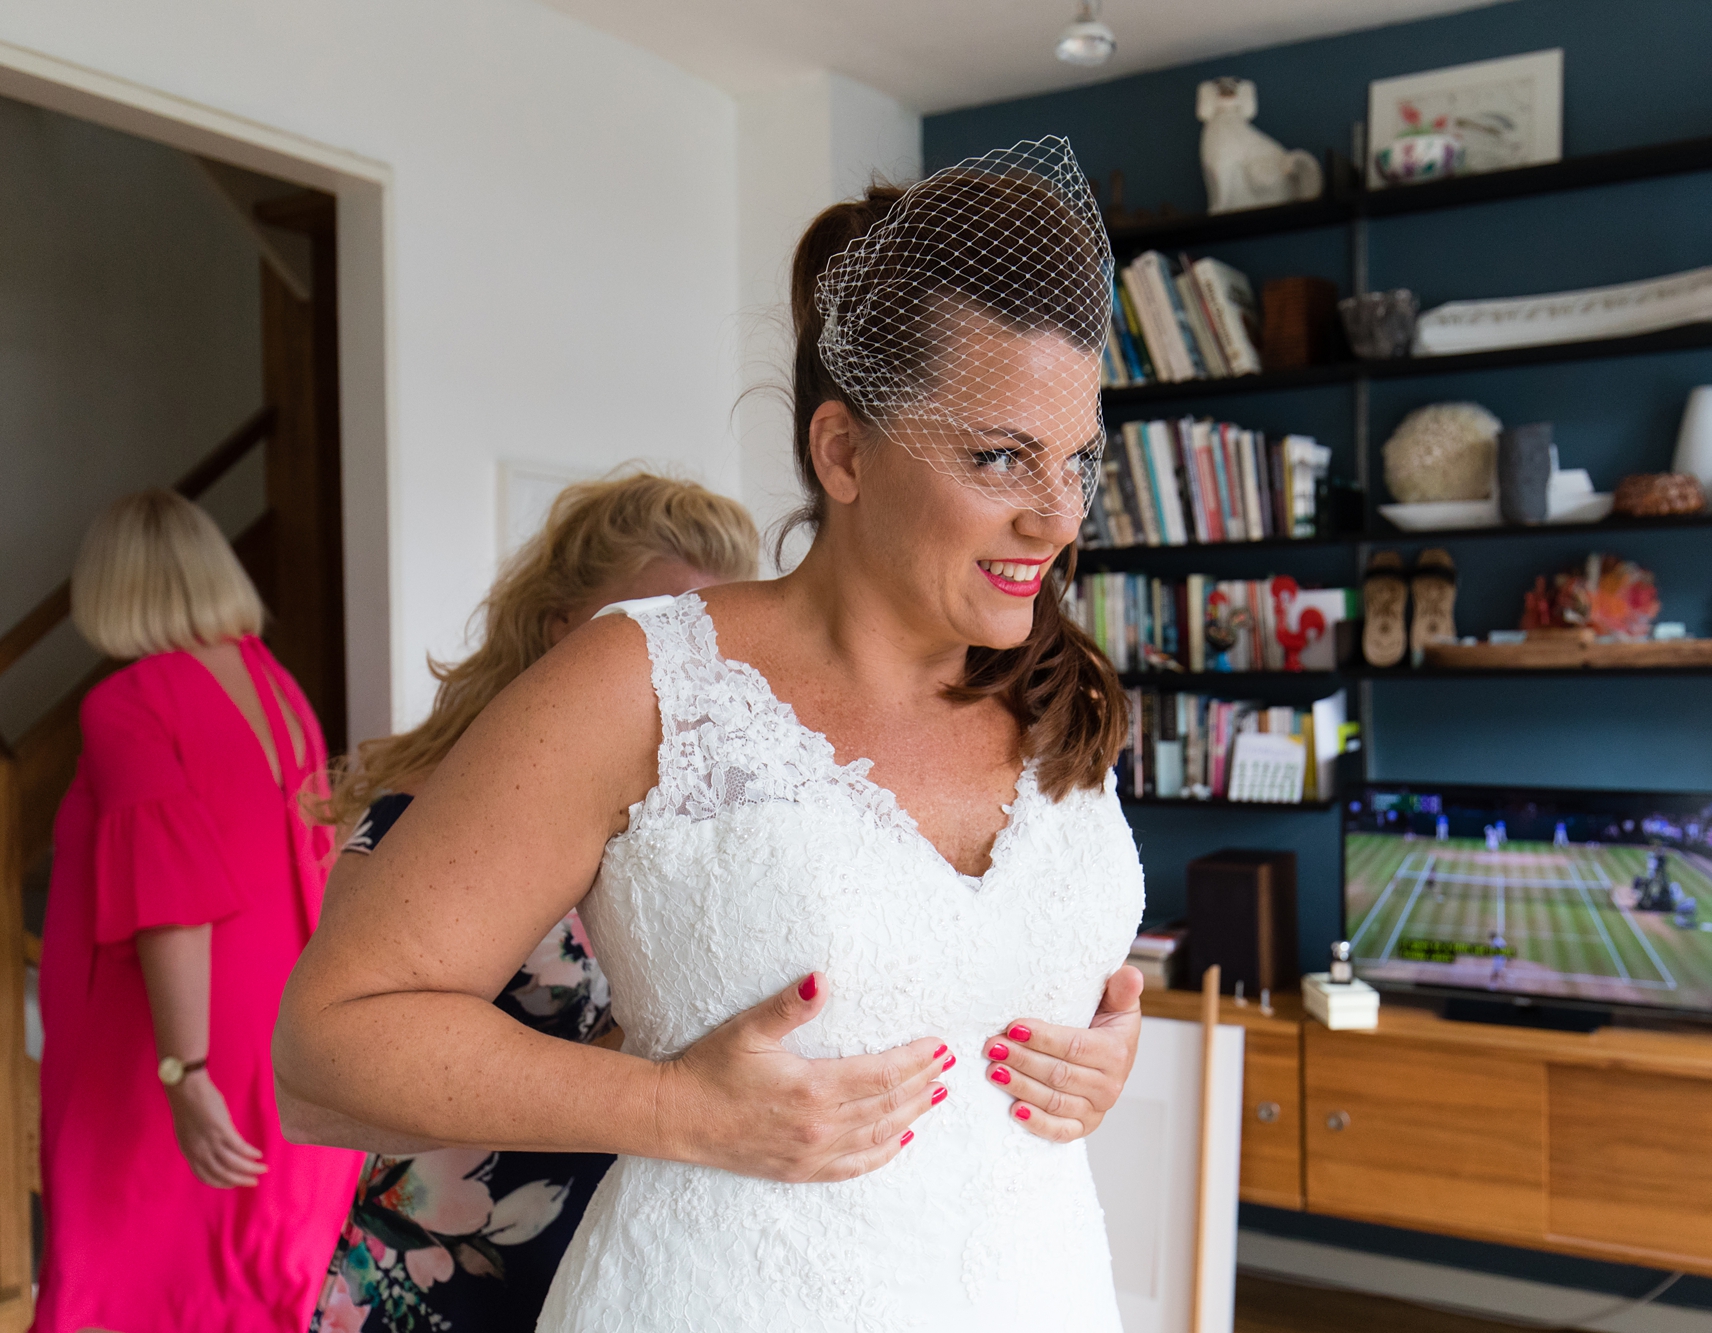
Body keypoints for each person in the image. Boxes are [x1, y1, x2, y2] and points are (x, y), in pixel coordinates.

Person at [275, 137, 1147, 1330]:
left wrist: (1097, 1050)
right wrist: (678, 1108)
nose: (1055, 518)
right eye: (999, 457)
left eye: (1077, 460)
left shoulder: (1056, 693)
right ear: (842, 452)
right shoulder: (646, 680)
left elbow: (988, 989)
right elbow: (325, 1054)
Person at [295, 472, 759, 1333]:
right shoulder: (419, 818)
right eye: (655, 625)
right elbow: (328, 1079)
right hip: (454, 1266)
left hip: (635, 1254)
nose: (688, 665)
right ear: (561, 631)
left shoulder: (705, 826)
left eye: (715, 634)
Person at [33, 489, 360, 1332]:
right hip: (281, 1025)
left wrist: (186, 1072)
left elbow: (172, 905)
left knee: (121, 1279)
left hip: (171, 1042)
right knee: (253, 1285)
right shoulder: (279, 688)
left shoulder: (129, 702)